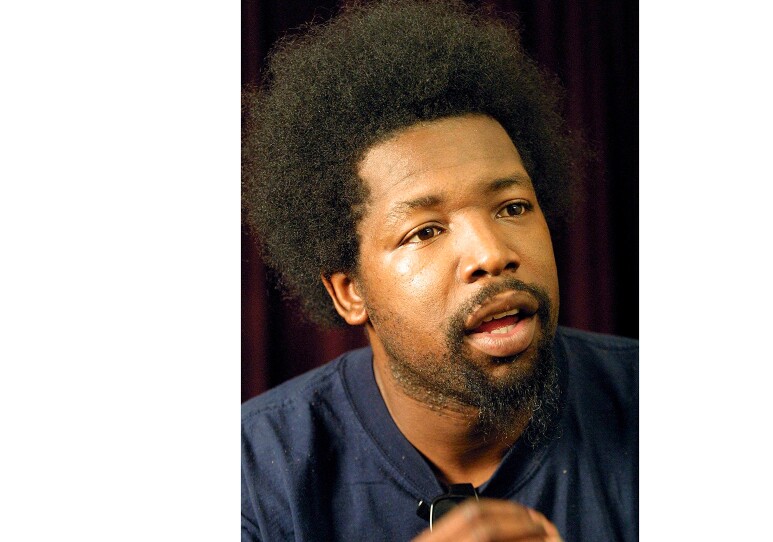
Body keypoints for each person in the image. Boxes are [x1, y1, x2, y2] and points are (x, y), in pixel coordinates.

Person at [241, 1, 637, 540]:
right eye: (425, 231)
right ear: (350, 291)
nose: (491, 253)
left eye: (513, 207)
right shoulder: (253, 476)